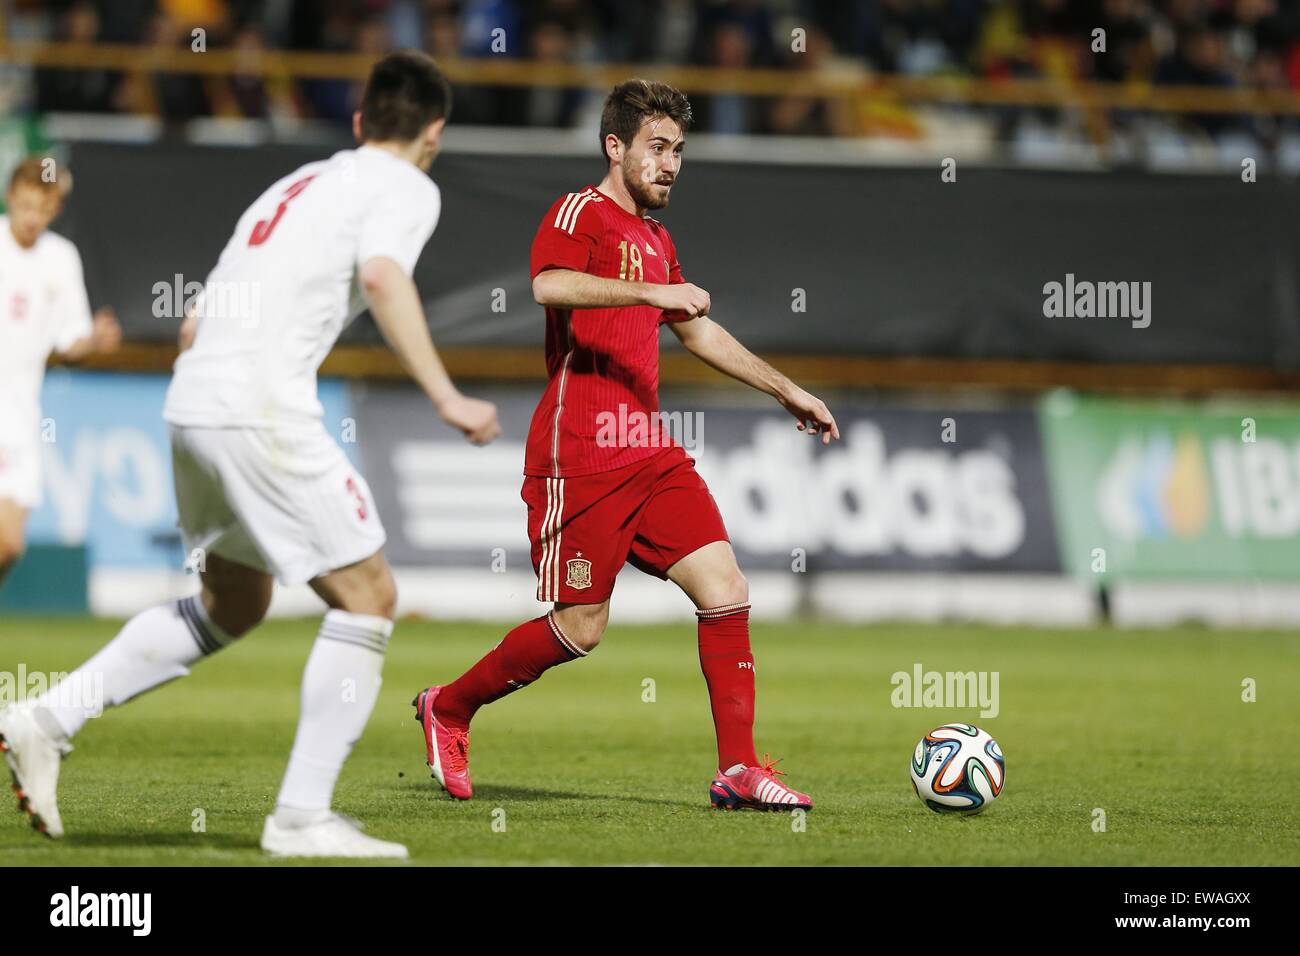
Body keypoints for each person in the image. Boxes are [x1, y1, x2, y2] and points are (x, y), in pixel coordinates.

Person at [0, 51, 500, 857]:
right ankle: (302, 816)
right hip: (258, 408)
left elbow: (200, 315)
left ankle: (44, 719)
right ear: (434, 133)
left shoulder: (295, 185)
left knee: (235, 603)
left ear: (360, 120)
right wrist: (444, 394)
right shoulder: (407, 186)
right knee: (369, 596)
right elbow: (381, 276)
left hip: (194, 399)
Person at [413, 78, 839, 812]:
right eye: (656, 147)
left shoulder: (657, 237)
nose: (670, 163)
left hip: (649, 451)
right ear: (616, 146)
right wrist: (651, 295)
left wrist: (784, 388)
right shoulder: (580, 212)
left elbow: (696, 328)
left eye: (679, 150)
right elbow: (548, 286)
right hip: (578, 452)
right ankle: (449, 707)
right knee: (582, 628)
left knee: (726, 589)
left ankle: (737, 769)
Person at [0, 157, 122, 588]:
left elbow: (70, 343)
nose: (33, 217)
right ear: (10, 197)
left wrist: (92, 341)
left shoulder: (60, 259)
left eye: (44, 209)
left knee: (8, 545)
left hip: (18, 417)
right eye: (27, 205)